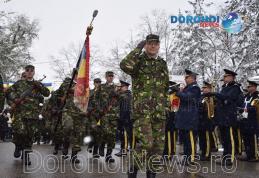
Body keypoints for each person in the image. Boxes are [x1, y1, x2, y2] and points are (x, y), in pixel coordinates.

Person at [120, 34, 169, 178]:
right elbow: (124, 65)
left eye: (155, 43)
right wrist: (137, 49)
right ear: (146, 45)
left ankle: (151, 173)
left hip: (159, 111)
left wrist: (166, 106)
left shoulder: (162, 63)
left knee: (158, 147)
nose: (153, 46)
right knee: (146, 143)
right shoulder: (139, 61)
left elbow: (165, 86)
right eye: (150, 43)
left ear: (159, 45)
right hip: (142, 111)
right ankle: (133, 169)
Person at [6, 65, 50, 165]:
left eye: (31, 70)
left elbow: (47, 93)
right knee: (20, 131)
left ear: (34, 72)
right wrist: (15, 99)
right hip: (20, 112)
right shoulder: (19, 83)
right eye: (27, 70)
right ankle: (18, 145)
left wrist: (39, 86)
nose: (29, 72)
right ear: (25, 72)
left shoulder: (38, 84)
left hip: (33, 113)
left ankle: (26, 155)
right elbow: (9, 92)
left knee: (30, 134)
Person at [205, 69, 244, 166]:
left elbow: (227, 97)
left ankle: (230, 159)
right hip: (222, 117)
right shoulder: (225, 87)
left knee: (230, 139)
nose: (224, 78)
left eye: (226, 76)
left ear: (232, 77)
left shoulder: (235, 88)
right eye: (225, 76)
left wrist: (214, 93)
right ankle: (225, 157)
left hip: (229, 117)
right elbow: (221, 100)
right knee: (224, 139)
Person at [175, 69, 201, 165]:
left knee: (190, 140)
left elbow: (187, 97)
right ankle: (186, 159)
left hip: (190, 118)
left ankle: (191, 159)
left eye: (187, 77)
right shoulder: (187, 88)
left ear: (192, 78)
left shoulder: (195, 88)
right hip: (185, 118)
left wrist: (178, 92)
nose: (185, 79)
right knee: (186, 141)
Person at [239, 80, 259, 162]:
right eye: (248, 86)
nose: (248, 87)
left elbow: (256, 108)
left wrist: (246, 109)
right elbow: (242, 105)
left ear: (254, 87)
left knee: (253, 139)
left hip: (253, 121)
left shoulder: (257, 97)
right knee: (246, 138)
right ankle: (248, 154)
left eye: (250, 86)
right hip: (245, 120)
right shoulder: (246, 97)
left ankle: (255, 155)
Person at [115, 80, 133, 157]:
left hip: (126, 117)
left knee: (125, 134)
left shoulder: (127, 94)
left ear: (125, 87)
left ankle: (124, 151)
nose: (120, 88)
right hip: (122, 117)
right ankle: (123, 150)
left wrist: (116, 91)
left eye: (121, 87)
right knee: (122, 135)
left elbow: (125, 108)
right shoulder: (123, 94)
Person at [198, 81, 215, 161]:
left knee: (207, 138)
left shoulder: (212, 98)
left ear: (210, 89)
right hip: (201, 120)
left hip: (208, 120)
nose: (204, 89)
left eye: (205, 88)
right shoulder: (201, 97)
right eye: (203, 88)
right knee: (202, 138)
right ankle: (203, 152)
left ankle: (207, 154)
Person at [163, 81, 180, 159]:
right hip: (168, 118)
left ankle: (169, 153)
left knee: (170, 136)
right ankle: (168, 152)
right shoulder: (169, 95)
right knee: (168, 136)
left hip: (171, 118)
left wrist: (167, 108)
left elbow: (175, 108)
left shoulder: (175, 96)